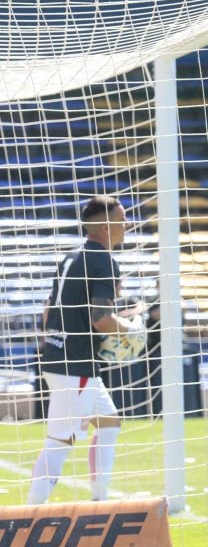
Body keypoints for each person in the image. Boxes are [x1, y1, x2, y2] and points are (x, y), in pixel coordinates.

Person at [28, 196, 145, 504]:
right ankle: (22, 524)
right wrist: (131, 331)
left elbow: (47, 309)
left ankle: (99, 501)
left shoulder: (71, 257)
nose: (127, 226)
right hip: (75, 366)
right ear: (106, 226)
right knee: (59, 443)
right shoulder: (104, 260)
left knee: (109, 423)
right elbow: (101, 319)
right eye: (122, 220)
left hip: (60, 357)